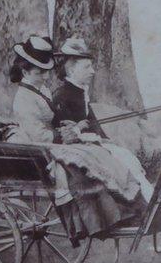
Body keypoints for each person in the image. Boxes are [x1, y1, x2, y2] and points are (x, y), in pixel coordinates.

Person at [51, 38, 153, 238]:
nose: (92, 72)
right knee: (119, 163)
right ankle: (135, 210)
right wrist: (90, 137)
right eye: (87, 67)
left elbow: (92, 123)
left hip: (91, 142)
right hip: (77, 148)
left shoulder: (79, 92)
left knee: (126, 157)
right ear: (71, 70)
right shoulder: (62, 96)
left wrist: (107, 140)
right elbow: (67, 132)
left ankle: (145, 205)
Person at [9, 35, 59, 143]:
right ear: (25, 72)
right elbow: (38, 136)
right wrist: (59, 135)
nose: (46, 77)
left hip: (48, 141)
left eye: (46, 72)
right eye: (39, 73)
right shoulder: (24, 98)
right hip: (33, 146)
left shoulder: (42, 89)